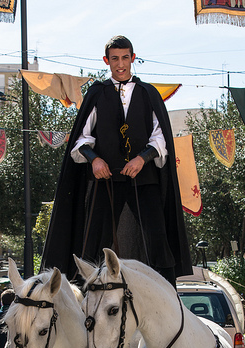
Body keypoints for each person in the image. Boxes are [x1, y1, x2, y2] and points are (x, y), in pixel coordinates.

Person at [41, 35, 192, 287]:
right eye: (114, 59)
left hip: (144, 179)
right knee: (94, 241)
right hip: (106, 180)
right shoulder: (97, 93)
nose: (120, 64)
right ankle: (86, 294)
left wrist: (142, 159)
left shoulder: (148, 93)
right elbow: (81, 138)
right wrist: (95, 160)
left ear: (133, 58)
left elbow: (160, 138)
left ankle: (167, 294)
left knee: (157, 238)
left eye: (124, 58)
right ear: (106, 61)